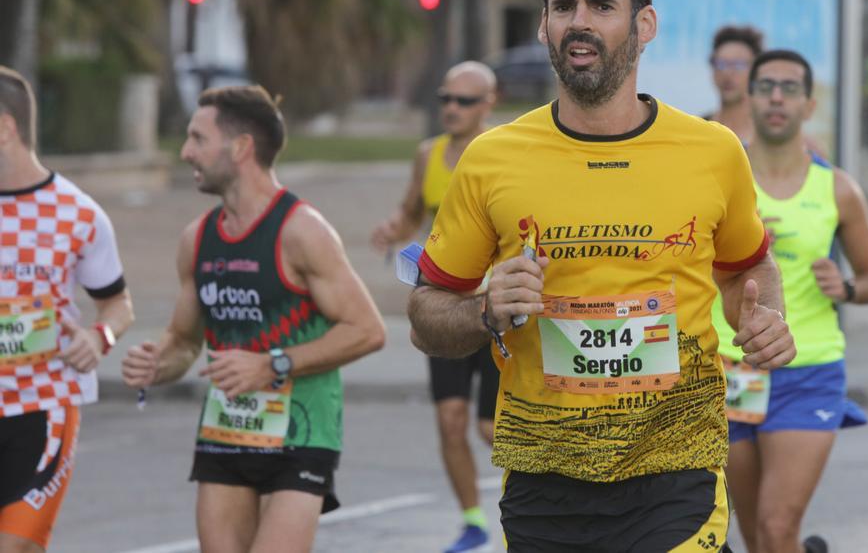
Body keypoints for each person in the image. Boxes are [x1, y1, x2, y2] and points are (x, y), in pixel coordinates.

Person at [406, 0, 797, 552]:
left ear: (644, 25)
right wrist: (486, 310)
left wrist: (766, 318)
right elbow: (426, 315)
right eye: (564, 6)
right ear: (543, 26)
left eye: (601, 5)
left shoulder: (712, 151)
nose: (578, 21)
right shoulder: (492, 158)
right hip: (543, 479)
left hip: (675, 472)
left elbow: (748, 270)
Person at [120, 86, 386, 552]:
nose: (185, 153)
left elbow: (367, 330)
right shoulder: (196, 240)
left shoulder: (302, 231)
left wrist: (271, 365)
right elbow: (184, 342)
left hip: (301, 433)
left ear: (241, 147)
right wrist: (156, 364)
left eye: (198, 139)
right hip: (227, 430)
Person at [712, 50, 868, 553]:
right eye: (765, 86)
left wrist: (849, 287)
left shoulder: (836, 188)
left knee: (776, 527)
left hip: (809, 370)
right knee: (751, 533)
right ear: (748, 98)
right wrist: (727, 248)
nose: (776, 97)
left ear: (809, 105)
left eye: (789, 88)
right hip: (732, 369)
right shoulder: (718, 179)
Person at [0, 67, 134, 553]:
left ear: (5, 128)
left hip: (42, 408)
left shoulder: (78, 214)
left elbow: (117, 304)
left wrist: (100, 338)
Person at [370, 61, 500, 553]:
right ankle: (472, 521)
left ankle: (528, 511)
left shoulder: (503, 151)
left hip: (494, 310)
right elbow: (411, 213)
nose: (451, 108)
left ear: (489, 102)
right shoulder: (429, 155)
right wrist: (393, 230)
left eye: (464, 101)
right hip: (443, 307)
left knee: (492, 427)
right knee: (449, 420)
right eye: (445, 98)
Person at [706, 25, 765, 144]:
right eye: (721, 64)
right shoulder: (698, 129)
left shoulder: (771, 136)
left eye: (738, 65)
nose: (728, 73)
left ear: (756, 72)